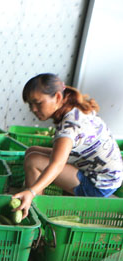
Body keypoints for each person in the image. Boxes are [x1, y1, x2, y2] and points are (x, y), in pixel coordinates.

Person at [13, 73, 123, 219]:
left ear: (58, 97)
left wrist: (32, 191)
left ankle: (35, 212)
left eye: (38, 103)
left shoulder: (69, 128)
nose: (33, 109)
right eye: (30, 104)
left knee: (33, 161)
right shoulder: (74, 108)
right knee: (31, 151)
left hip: (99, 185)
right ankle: (31, 194)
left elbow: (57, 165)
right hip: (103, 174)